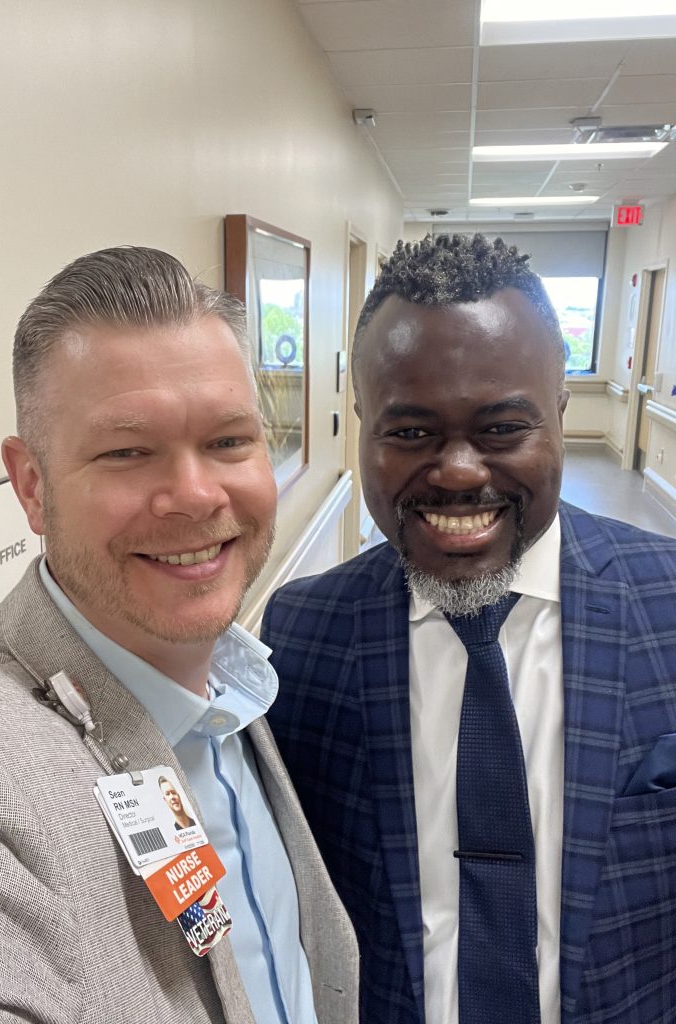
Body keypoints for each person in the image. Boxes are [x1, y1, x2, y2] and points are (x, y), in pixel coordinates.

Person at [0, 246, 357, 1023]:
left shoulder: (231, 676)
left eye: (228, 441)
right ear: (32, 487)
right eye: (127, 452)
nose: (193, 494)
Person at [262, 233, 676, 1024]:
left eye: (500, 429)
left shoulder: (669, 602)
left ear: (558, 412)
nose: (457, 471)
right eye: (410, 432)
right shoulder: (304, 634)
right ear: (362, 425)